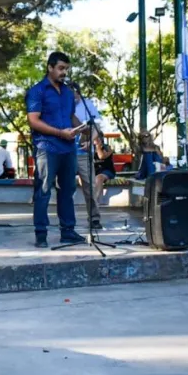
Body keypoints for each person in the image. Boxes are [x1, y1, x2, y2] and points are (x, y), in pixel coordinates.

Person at [26, 52, 85, 248]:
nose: (64, 72)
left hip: (68, 148)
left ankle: (68, 231)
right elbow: (33, 120)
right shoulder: (37, 91)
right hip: (47, 147)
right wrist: (60, 133)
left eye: (66, 69)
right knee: (43, 191)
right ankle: (41, 234)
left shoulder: (68, 92)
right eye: (60, 68)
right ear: (50, 67)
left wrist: (84, 128)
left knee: (67, 190)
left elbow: (70, 117)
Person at [73, 87, 104, 230]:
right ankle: (67, 222)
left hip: (83, 153)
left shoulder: (87, 104)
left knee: (89, 187)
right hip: (65, 152)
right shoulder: (61, 102)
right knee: (64, 188)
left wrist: (90, 141)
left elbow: (96, 125)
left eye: (74, 92)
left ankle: (94, 218)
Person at [93, 136, 116, 211]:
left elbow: (101, 156)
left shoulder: (107, 148)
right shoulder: (90, 148)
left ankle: (96, 200)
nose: (95, 140)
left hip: (107, 171)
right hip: (95, 171)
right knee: (81, 177)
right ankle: (90, 197)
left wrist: (98, 147)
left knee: (99, 177)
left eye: (97, 138)